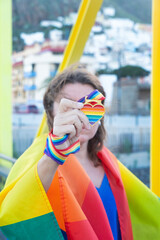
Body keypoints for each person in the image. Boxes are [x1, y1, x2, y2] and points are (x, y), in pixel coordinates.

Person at [0, 64, 133, 240]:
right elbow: (15, 212)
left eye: (90, 105)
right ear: (52, 112)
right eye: (70, 105)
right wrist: (55, 154)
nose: (81, 115)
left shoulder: (112, 165)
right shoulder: (40, 161)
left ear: (101, 114)